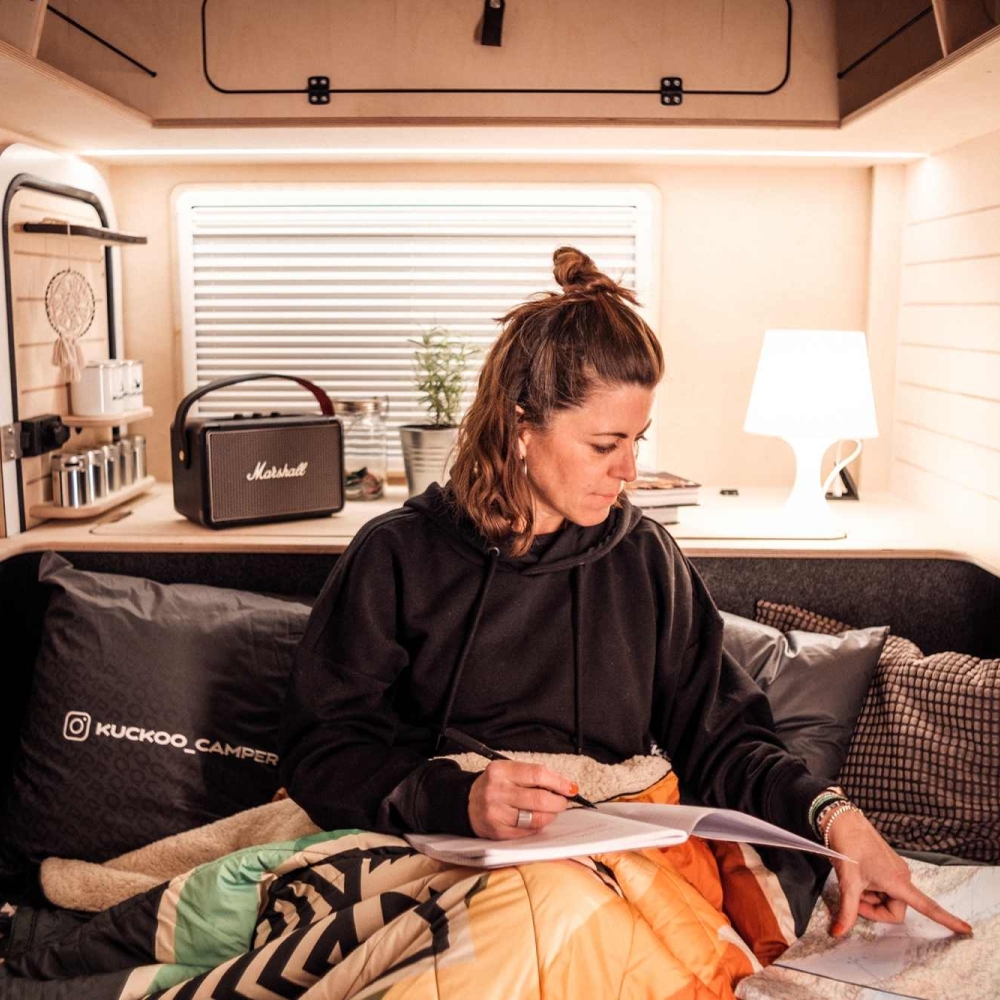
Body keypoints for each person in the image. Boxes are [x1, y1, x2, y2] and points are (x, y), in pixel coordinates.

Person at [279, 246, 971, 942]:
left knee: (564, 919)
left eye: (638, 440)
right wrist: (456, 797)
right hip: (442, 855)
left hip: (602, 865)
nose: (630, 470)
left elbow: (725, 742)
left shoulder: (644, 558)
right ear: (520, 426)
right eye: (605, 444)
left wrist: (836, 818)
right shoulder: (397, 554)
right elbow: (322, 749)